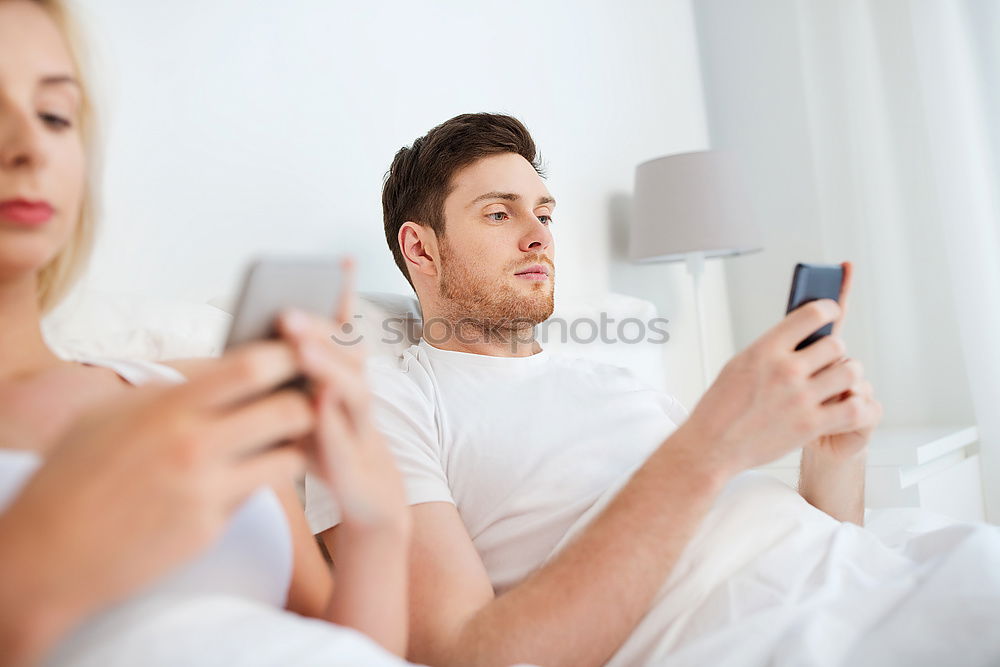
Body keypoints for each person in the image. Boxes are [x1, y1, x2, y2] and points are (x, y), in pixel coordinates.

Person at [306, 113, 1000, 667]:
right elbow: (464, 653)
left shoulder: (611, 378)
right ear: (421, 249)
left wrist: (832, 454)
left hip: (872, 580)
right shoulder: (387, 401)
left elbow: (822, 541)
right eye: (499, 214)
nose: (538, 236)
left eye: (544, 214)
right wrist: (707, 448)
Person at [0, 2, 413, 665]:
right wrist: (32, 567)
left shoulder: (180, 401)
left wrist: (377, 525)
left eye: (55, 115)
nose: (30, 144)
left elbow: (341, 649)